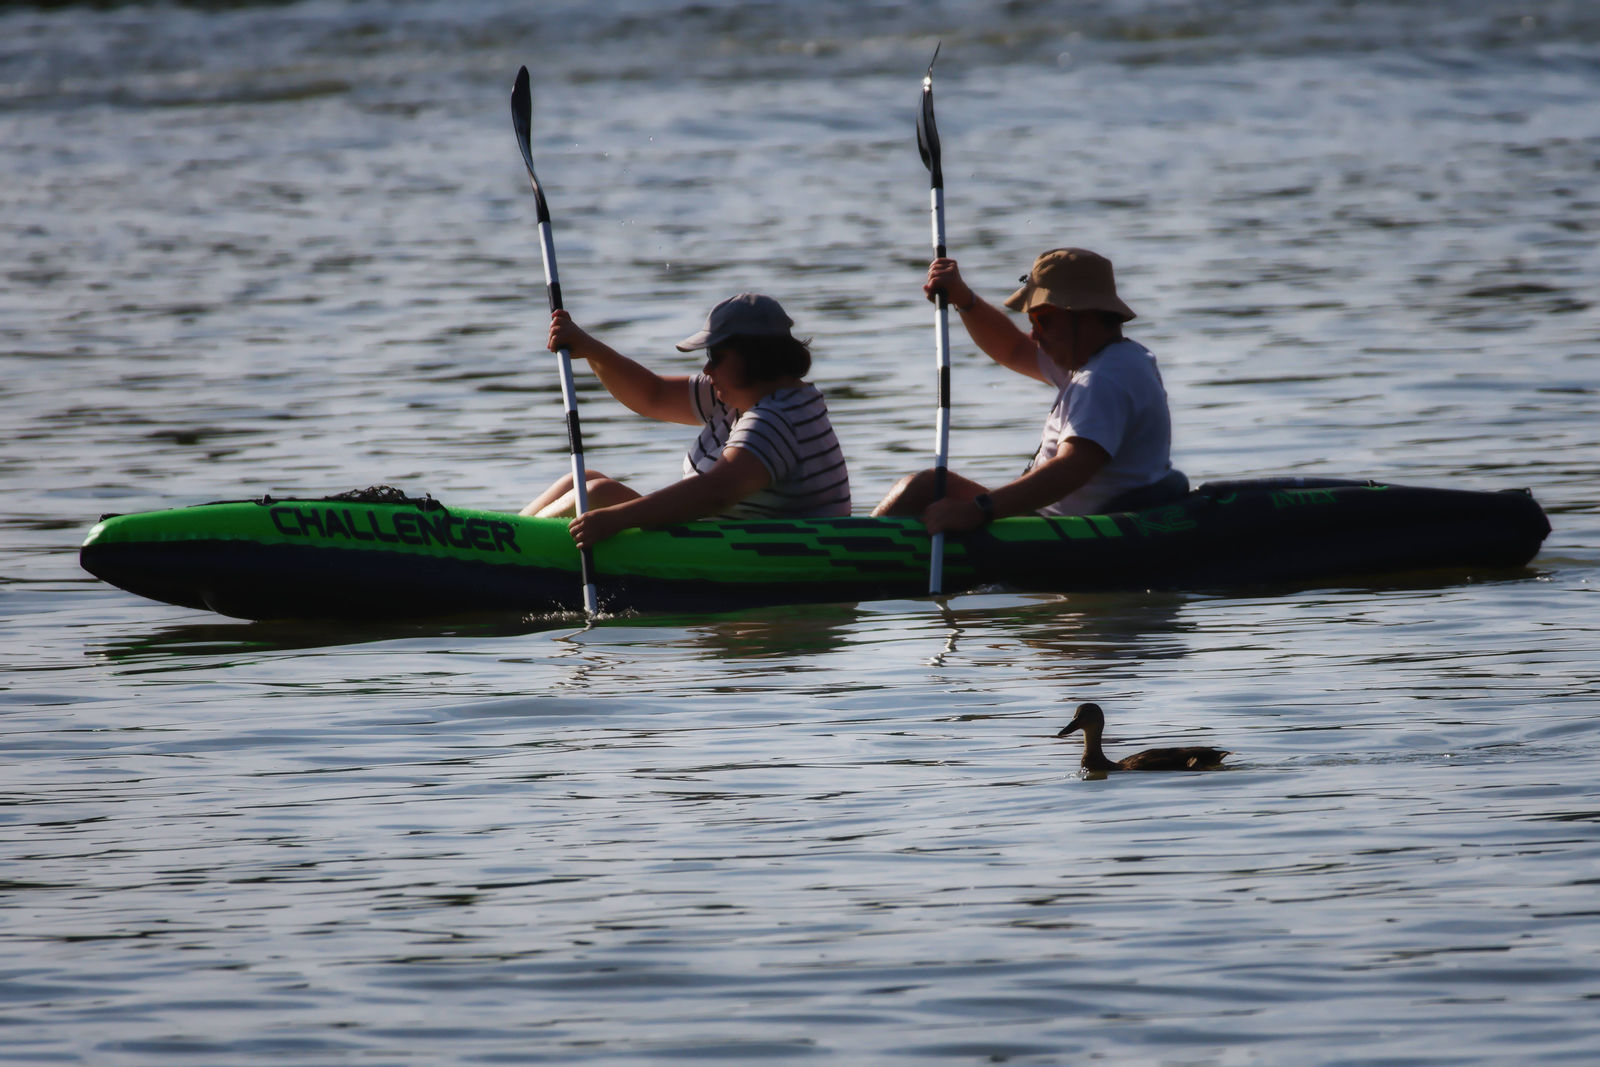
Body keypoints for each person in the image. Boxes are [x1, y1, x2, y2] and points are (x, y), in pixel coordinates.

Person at [873, 247, 1186, 533]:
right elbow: (1013, 349)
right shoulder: (1111, 359)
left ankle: (857, 551)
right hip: (1054, 520)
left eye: (1042, 320)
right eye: (1032, 320)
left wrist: (977, 511)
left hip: (1066, 534)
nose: (1034, 334)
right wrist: (964, 299)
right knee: (925, 486)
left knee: (922, 488)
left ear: (1084, 315)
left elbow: (1072, 468)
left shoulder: (1103, 379)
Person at [523, 292, 851, 548]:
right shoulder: (738, 394)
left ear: (754, 357)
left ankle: (513, 548)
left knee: (598, 493)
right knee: (580, 479)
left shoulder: (775, 419)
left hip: (759, 556)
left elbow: (715, 492)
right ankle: (505, 538)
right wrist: (588, 348)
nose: (707, 368)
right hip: (717, 541)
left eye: (715, 357)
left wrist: (615, 520)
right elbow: (652, 395)